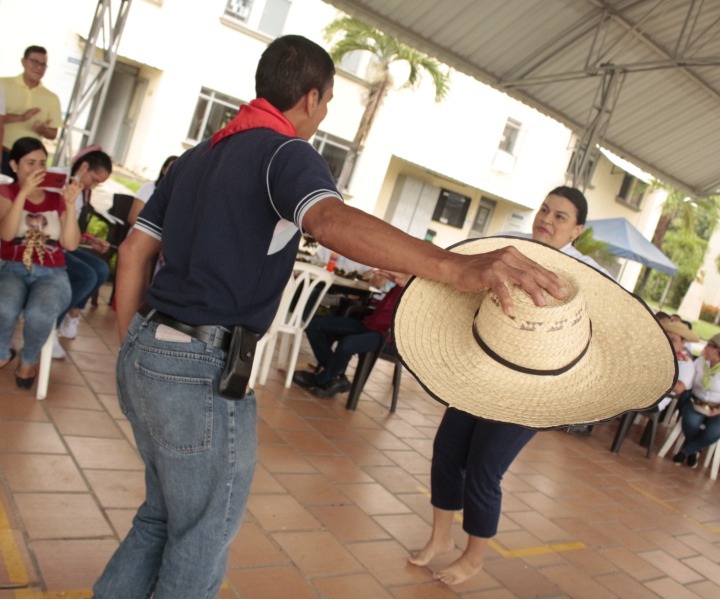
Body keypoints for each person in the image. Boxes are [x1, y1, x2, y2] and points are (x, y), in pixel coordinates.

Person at [92, 35, 565, 599]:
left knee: (162, 514)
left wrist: (134, 348)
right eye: (329, 103)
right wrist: (454, 266)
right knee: (201, 533)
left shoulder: (199, 155)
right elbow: (329, 221)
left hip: (147, 347)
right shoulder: (284, 152)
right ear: (312, 98)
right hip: (200, 365)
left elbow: (133, 251)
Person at [408, 186, 608, 585]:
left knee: (485, 466)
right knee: (448, 449)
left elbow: (598, 332)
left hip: (538, 388)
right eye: (545, 210)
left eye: (560, 217)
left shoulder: (590, 277)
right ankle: (440, 536)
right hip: (486, 370)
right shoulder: (511, 251)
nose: (546, 220)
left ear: (577, 231)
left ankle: (474, 555)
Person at [0, 137, 81, 387]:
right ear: (13, 165)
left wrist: (69, 205)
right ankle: (3, 352)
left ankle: (28, 360)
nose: (37, 169)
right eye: (30, 163)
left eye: (42, 163)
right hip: (12, 267)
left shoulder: (56, 199)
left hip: (52, 272)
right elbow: (7, 234)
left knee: (40, 313)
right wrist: (23, 193)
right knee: (4, 306)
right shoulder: (6, 193)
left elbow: (70, 244)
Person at [293, 269, 410, 397]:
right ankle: (336, 377)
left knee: (348, 344)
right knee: (313, 324)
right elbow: (376, 284)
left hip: (389, 338)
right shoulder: (403, 272)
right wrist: (383, 277)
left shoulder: (423, 287)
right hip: (370, 324)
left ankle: (322, 379)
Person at [52, 147, 113, 359]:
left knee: (101, 269)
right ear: (84, 166)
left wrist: (91, 239)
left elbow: (72, 227)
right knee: (87, 275)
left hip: (66, 243)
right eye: (94, 180)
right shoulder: (56, 180)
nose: (93, 186)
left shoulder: (80, 191)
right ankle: (52, 326)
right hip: (50, 244)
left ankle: (72, 311)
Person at [0, 46, 62, 177]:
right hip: (4, 152)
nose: (39, 68)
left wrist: (43, 130)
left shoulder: (52, 98)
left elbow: (53, 134)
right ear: (23, 62)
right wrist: (21, 118)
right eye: (34, 62)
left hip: (30, 162)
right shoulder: (3, 85)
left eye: (43, 65)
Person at [672, 333, 720, 468]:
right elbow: (689, 380)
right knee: (691, 422)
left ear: (717, 350)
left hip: (717, 408)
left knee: (714, 431)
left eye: (710, 346)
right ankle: (695, 450)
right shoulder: (700, 362)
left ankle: (687, 450)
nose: (706, 348)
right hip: (696, 402)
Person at [127, 155, 178, 226]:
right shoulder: (148, 188)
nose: (173, 174)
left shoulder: (179, 197)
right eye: (171, 169)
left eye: (178, 171)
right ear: (163, 170)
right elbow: (133, 218)